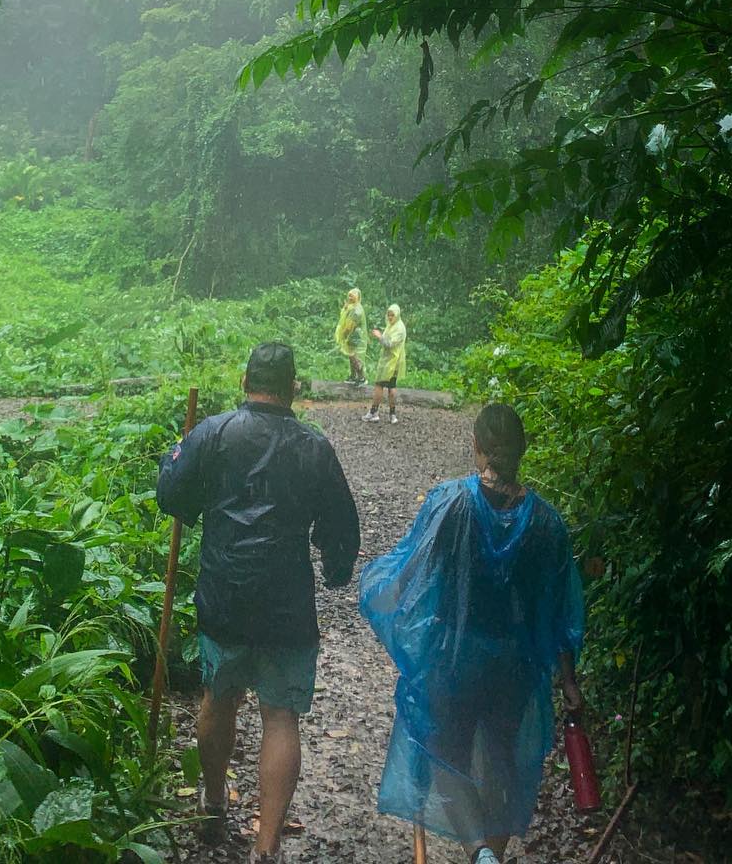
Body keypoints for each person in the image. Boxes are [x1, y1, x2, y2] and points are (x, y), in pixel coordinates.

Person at [157, 341, 361, 862]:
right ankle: (266, 847)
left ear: (245, 382)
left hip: (225, 596)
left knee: (218, 698)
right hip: (286, 604)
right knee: (280, 716)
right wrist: (336, 570)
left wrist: (174, 464)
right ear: (293, 388)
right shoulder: (313, 447)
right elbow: (341, 524)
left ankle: (213, 798)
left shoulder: (215, 433)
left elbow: (171, 497)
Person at [359, 404, 584, 864]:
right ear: (523, 450)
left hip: (452, 660)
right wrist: (569, 681)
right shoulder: (547, 522)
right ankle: (490, 856)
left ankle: (479, 850)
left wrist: (380, 600)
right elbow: (561, 612)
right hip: (514, 665)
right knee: (503, 762)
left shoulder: (451, 502)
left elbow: (408, 575)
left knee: (447, 755)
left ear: (477, 447)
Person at [363, 303, 406, 423]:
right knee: (391, 387)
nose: (390, 317)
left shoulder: (399, 328)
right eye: (389, 315)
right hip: (391, 361)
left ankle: (374, 412)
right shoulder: (392, 325)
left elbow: (389, 344)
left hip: (391, 362)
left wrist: (379, 336)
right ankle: (392, 415)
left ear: (397, 315)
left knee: (379, 385)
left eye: (392, 315)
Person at [335, 287, 366, 384]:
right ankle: (353, 376)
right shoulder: (351, 307)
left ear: (357, 297)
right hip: (350, 335)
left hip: (353, 336)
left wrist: (343, 334)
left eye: (352, 296)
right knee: (350, 356)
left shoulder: (357, 310)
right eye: (349, 296)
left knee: (353, 357)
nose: (350, 298)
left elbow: (350, 326)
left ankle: (361, 377)